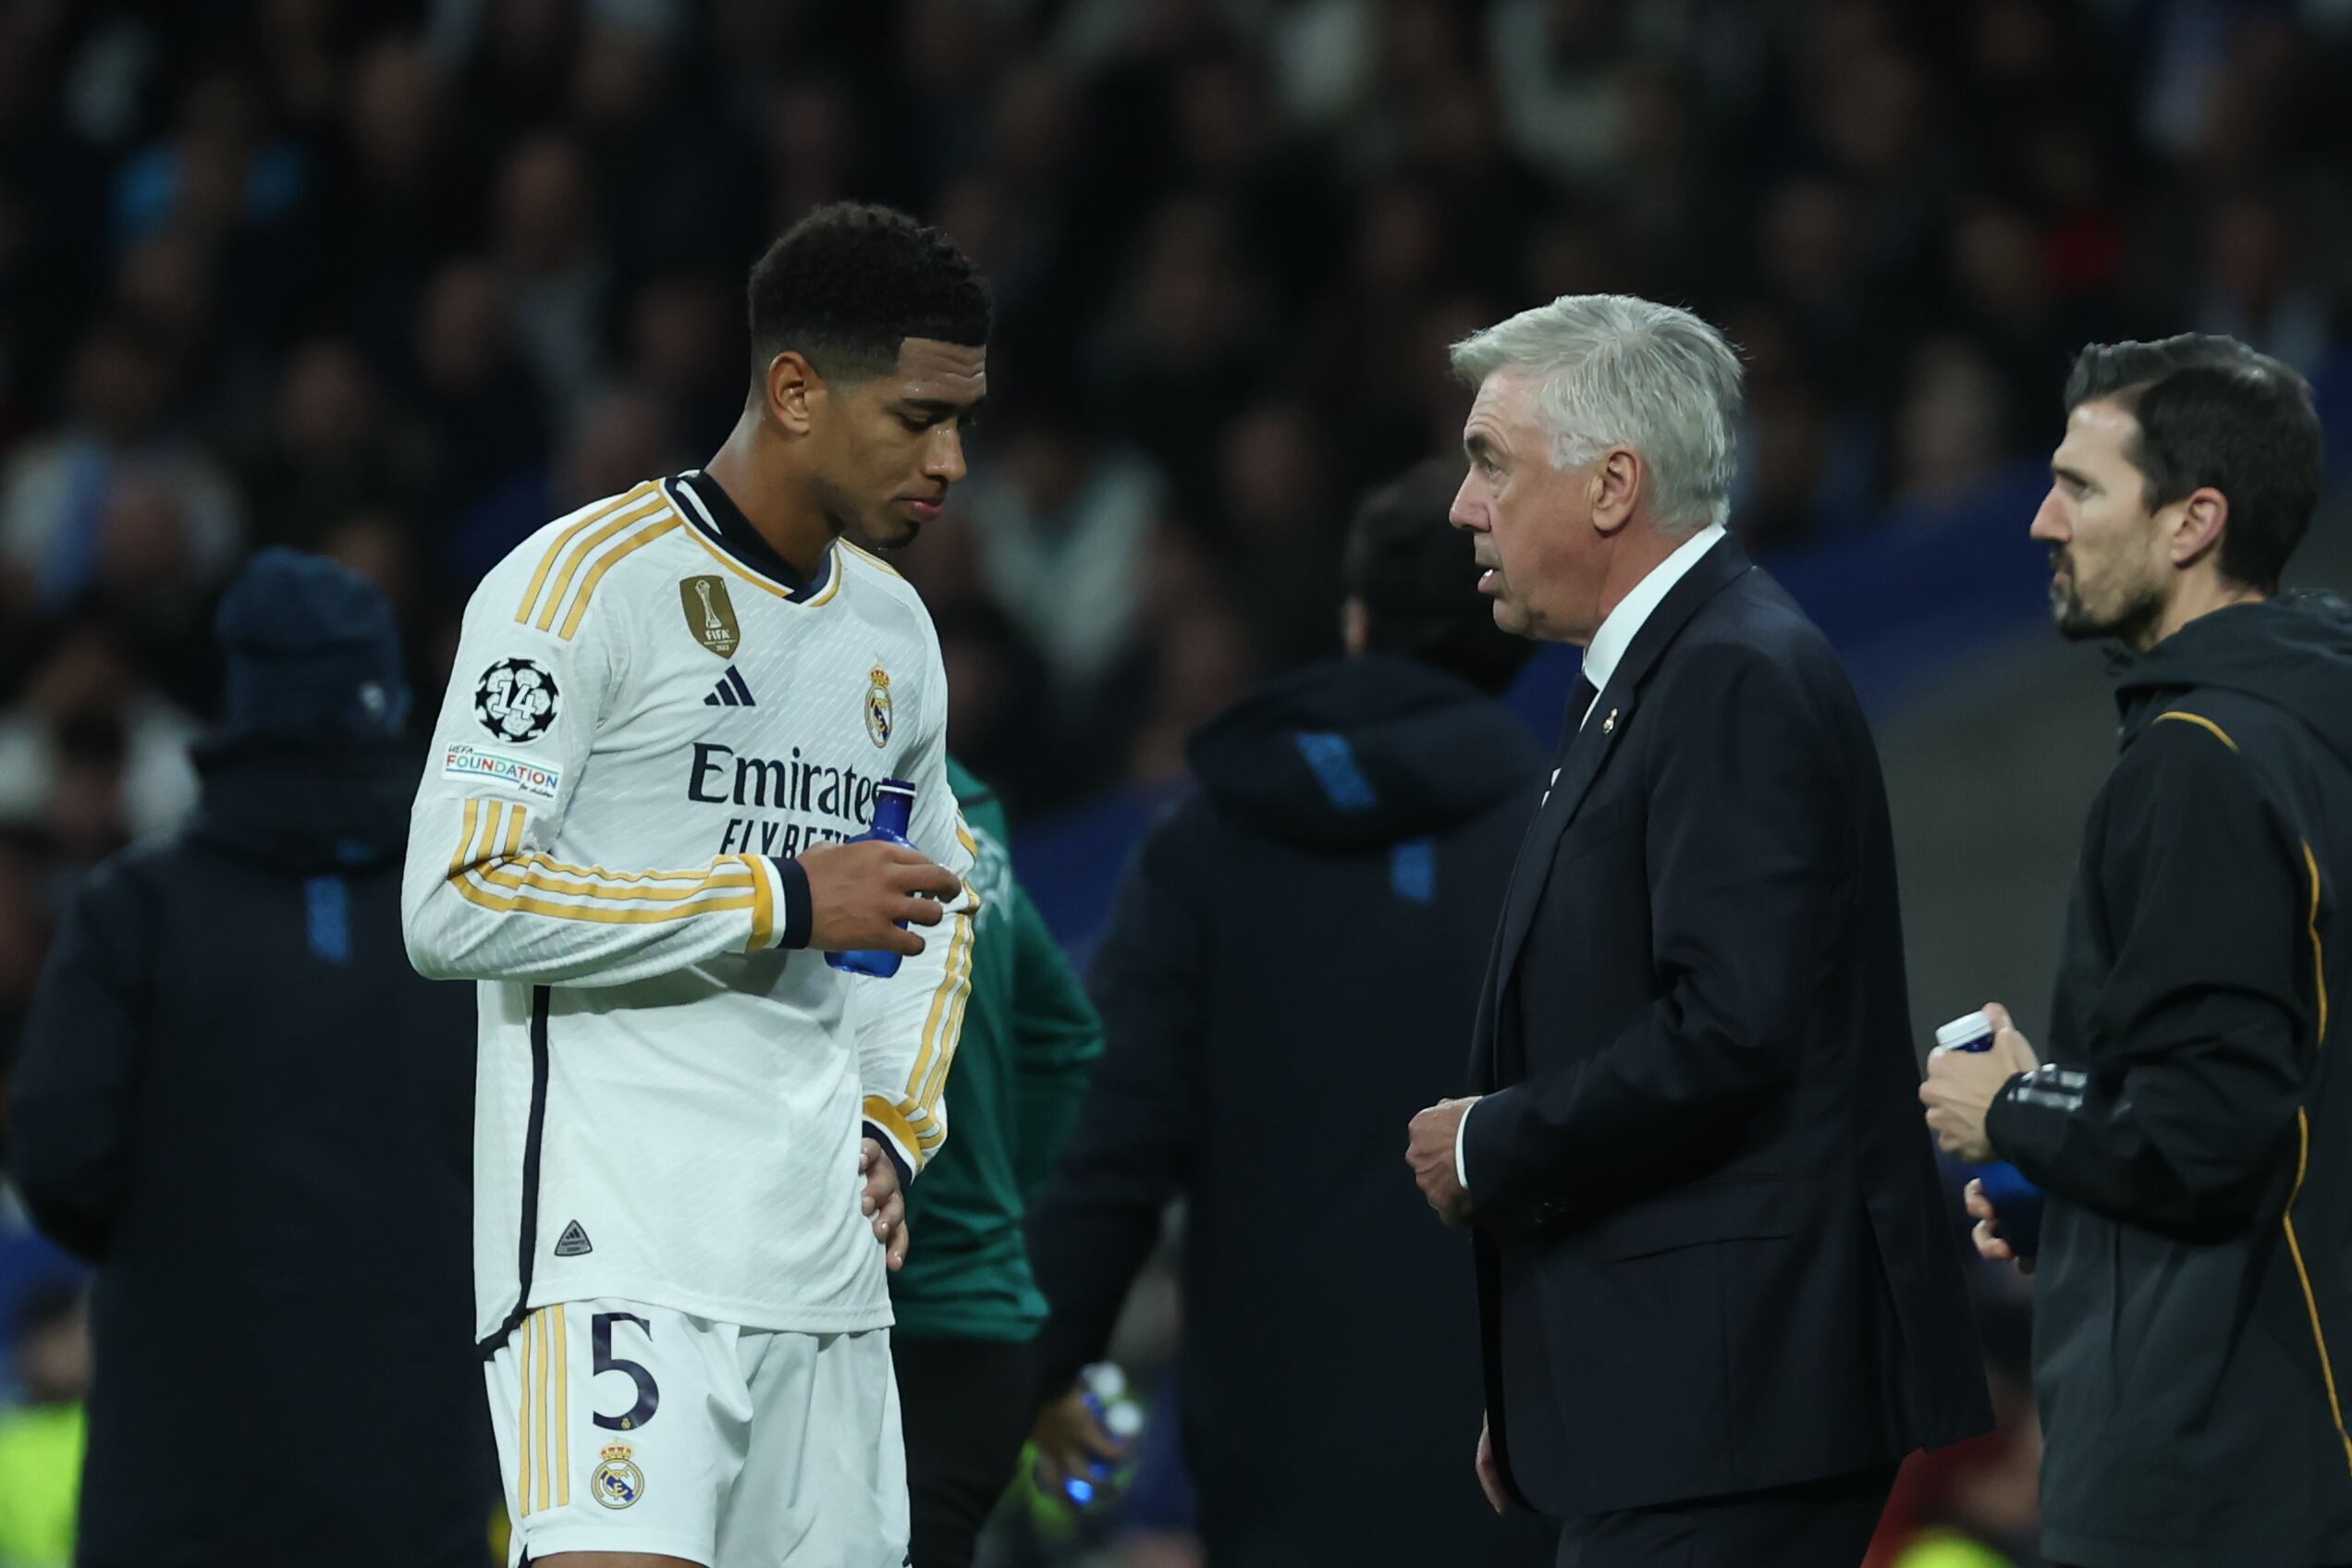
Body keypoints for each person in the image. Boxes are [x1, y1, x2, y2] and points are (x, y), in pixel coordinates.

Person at [400, 202, 986, 1568]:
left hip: (824, 1280)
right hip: (616, 1256)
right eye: (916, 419)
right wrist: (778, 898)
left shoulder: (896, 629)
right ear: (794, 389)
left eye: (963, 420)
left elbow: (938, 903)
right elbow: (454, 897)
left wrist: (897, 1128)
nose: (952, 462)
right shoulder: (573, 590)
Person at [1404, 294, 1992, 1567]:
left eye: (1491, 463)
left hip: (1746, 1395)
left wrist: (1495, 1141)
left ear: (1615, 486)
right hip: (1685, 1395)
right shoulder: (1663, 673)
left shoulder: (1730, 674)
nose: (1464, 506)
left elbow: (1735, 1030)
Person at [1024, 459, 1557, 1567]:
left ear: (1355, 624)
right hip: (1532, 1471)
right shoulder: (1573, 846)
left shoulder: (1204, 847)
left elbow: (1104, 1163)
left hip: (1279, 1482)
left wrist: (1012, 1392)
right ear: (1516, 628)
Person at [1921, 335, 2350, 1568]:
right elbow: (2278, 1113)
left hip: (2217, 1482)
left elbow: (2207, 1131)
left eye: (2082, 487)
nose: (2043, 521)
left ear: (2192, 522)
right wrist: (2072, 1185)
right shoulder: (2309, 732)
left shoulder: (2199, 764)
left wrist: (2016, 1111)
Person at [8, 549, 495, 1567]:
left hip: (184, 1472)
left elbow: (58, 1157)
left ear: (242, 694)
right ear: (389, 690)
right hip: (415, 1459)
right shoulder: (471, 917)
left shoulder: (136, 908)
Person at [887, 755, 1103, 1568]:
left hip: (870, 1324)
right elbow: (1064, 1037)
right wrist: (992, 1220)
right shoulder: (972, 807)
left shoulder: (819, 793)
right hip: (979, 1333)